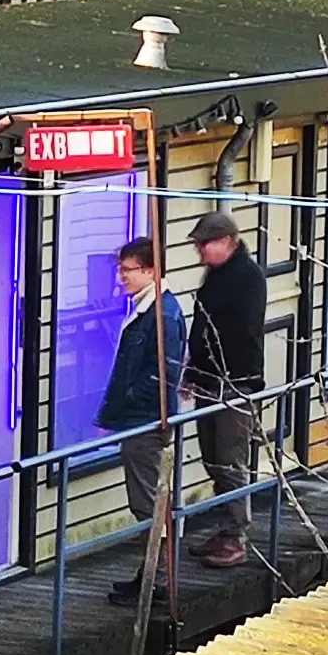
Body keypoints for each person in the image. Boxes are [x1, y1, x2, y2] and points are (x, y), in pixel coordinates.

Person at [101, 237, 186, 606]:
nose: (120, 277)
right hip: (137, 418)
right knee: (148, 499)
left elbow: (160, 378)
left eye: (127, 270)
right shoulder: (147, 309)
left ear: (150, 271)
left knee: (148, 501)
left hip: (146, 422)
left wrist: (128, 405)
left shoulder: (161, 315)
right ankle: (151, 575)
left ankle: (159, 580)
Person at [182, 211, 267, 570]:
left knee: (230, 458)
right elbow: (203, 326)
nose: (200, 251)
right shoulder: (216, 276)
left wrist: (210, 367)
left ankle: (235, 536)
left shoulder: (246, 277)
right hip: (210, 380)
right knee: (213, 457)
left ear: (228, 242)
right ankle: (225, 528)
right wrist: (193, 371)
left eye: (205, 244)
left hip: (234, 381)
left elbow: (237, 332)